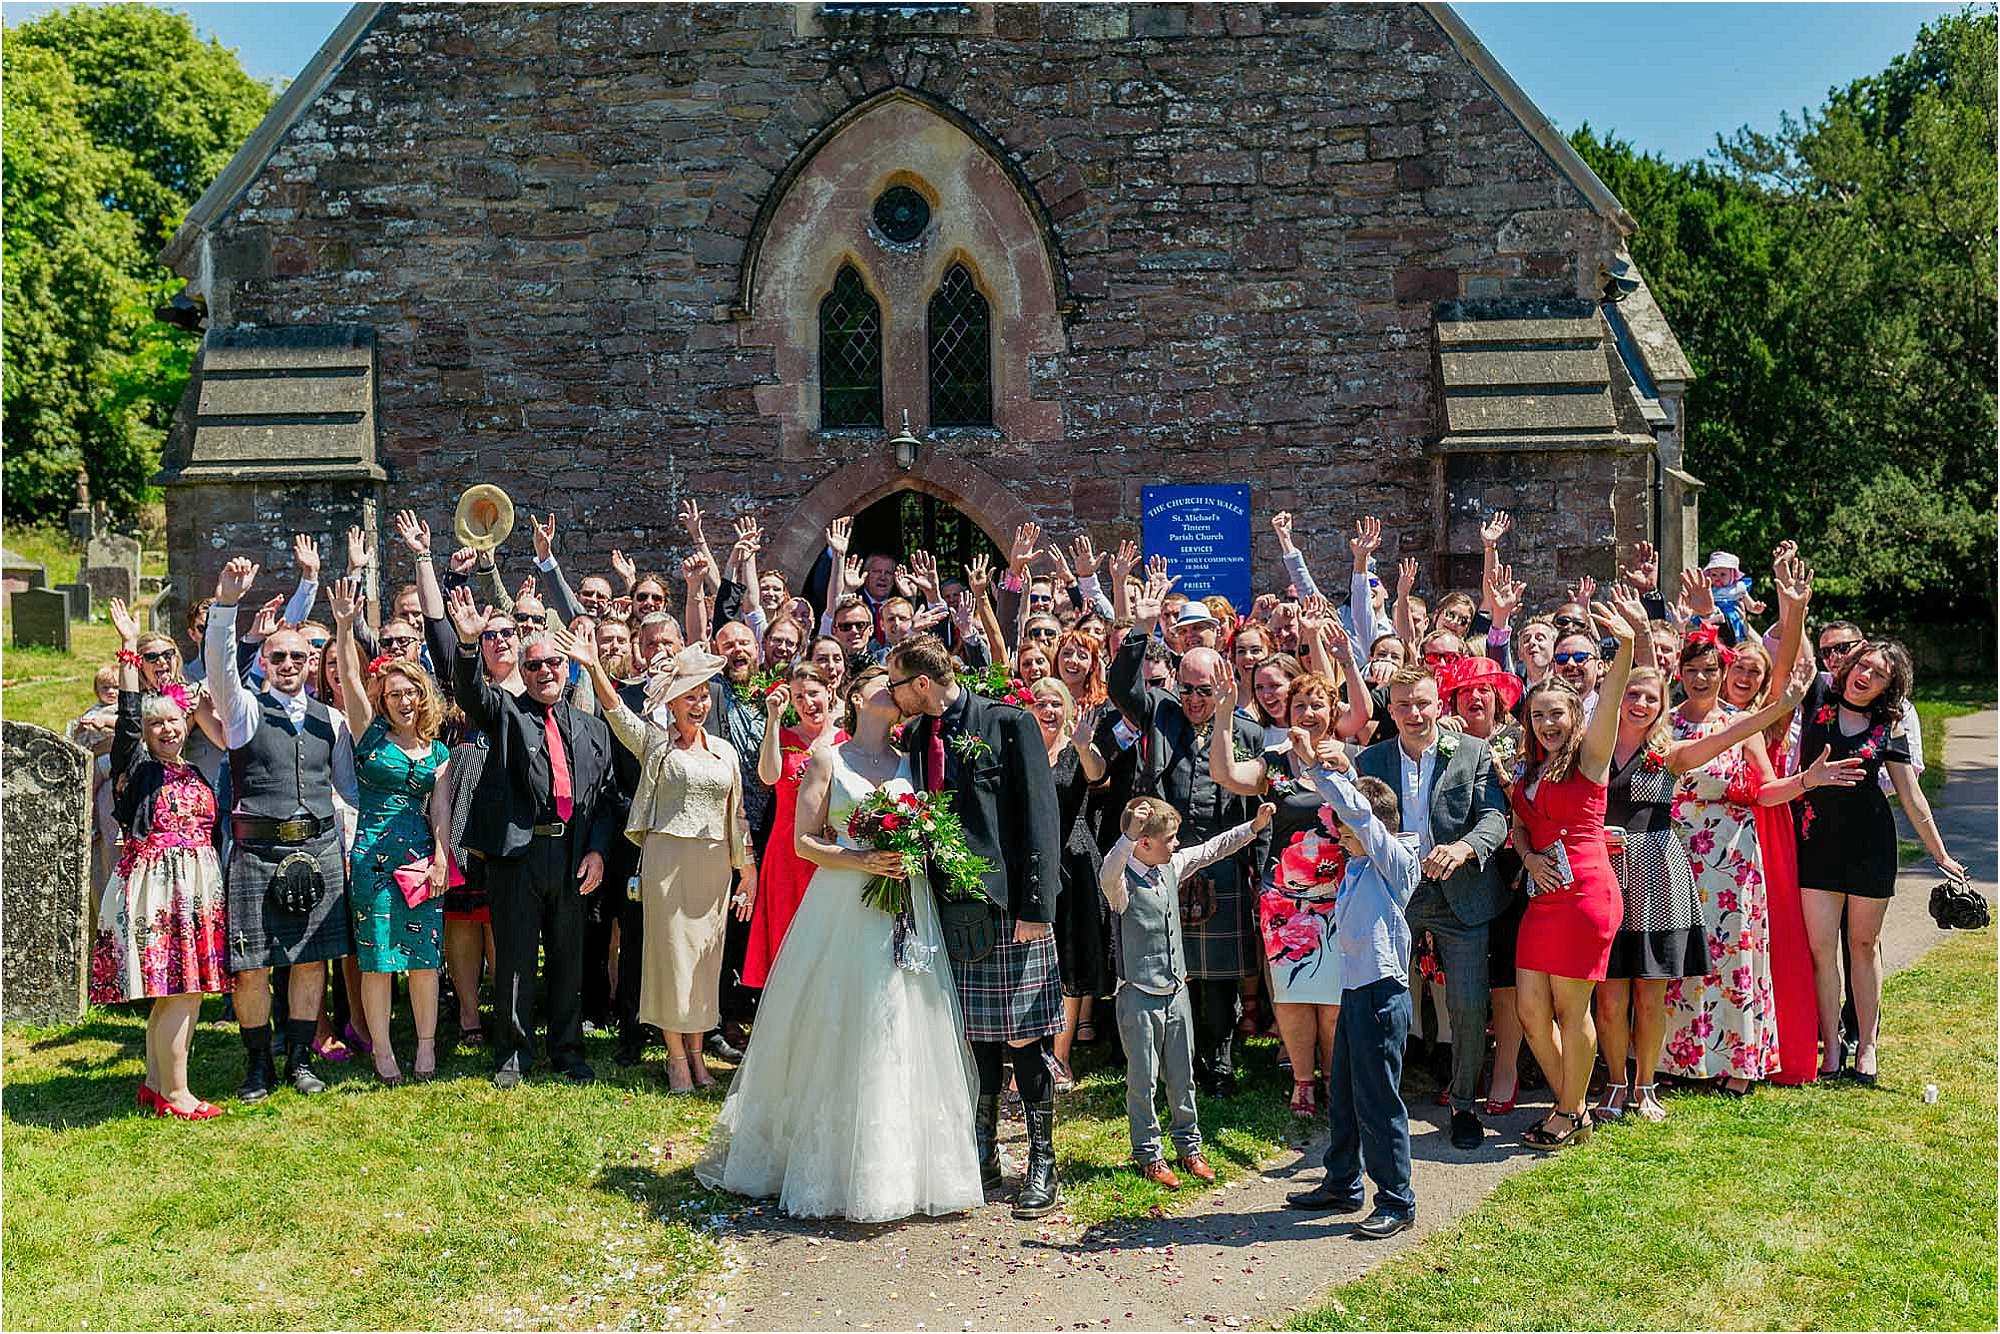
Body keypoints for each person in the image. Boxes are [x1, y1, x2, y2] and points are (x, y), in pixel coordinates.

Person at [697, 662, 983, 1219]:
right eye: (883, 680)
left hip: (904, 902)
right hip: (843, 902)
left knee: (903, 1018)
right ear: (856, 696)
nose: (894, 688)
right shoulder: (828, 759)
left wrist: (916, 853)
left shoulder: (912, 760)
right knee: (843, 1016)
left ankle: (904, 1163)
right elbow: (803, 842)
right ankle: (824, 1161)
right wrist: (859, 858)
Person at [891, 633, 1067, 1220]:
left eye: (898, 685)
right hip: (949, 909)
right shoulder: (917, 737)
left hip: (1008, 908)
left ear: (922, 684)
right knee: (976, 1038)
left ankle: (1043, 1163)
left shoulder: (1008, 723)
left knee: (1025, 1037)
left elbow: (1041, 815)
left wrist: (1036, 909)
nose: (894, 698)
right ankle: (984, 1155)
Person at [447, 587, 618, 1088]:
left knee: (568, 959)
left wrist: (599, 852)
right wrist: (465, 644)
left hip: (573, 857)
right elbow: (470, 694)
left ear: (568, 669)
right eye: (535, 666)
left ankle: (568, 1052)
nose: (546, 672)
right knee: (516, 961)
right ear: (523, 673)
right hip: (518, 856)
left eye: (554, 664)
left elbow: (607, 799)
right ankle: (513, 1056)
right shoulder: (505, 713)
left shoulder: (592, 729)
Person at [564, 630, 750, 1091]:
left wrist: (747, 870)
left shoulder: (724, 751)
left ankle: (697, 1051)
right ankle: (676, 1058)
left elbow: (739, 814)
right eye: (689, 697)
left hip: (713, 868)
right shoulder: (657, 746)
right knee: (671, 959)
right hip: (667, 863)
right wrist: (593, 667)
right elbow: (619, 716)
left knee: (706, 963)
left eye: (704, 696)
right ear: (671, 703)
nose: (699, 704)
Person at [204, 557, 357, 1101]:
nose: (289, 663)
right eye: (278, 656)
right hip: (256, 851)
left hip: (316, 848)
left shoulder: (331, 720)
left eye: (298, 656)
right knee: (250, 969)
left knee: (311, 961)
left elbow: (347, 792)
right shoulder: (243, 710)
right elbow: (219, 669)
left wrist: (351, 846)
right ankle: (257, 1065)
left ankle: (299, 1060)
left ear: (311, 661)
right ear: (264, 662)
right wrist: (226, 605)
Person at [1352, 662, 1508, 1150]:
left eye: (1423, 702)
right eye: (1403, 705)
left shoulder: (1473, 752)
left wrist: (1464, 849)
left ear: (1440, 703)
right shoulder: (1371, 760)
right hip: (1395, 894)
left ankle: (1463, 1104)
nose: (1414, 713)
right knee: (1381, 999)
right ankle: (1381, 1102)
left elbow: (1495, 818)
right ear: (1391, 709)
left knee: (1466, 1005)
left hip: (1460, 893)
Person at [1795, 641, 1965, 1083]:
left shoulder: (1890, 724)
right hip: (1816, 843)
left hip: (1870, 844)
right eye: (1863, 665)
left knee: (1863, 946)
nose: (1866, 676)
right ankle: (1831, 1046)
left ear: (1890, 686)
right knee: (1820, 950)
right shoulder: (1816, 697)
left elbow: (1911, 795)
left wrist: (1940, 853)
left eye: (1880, 674)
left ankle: (1867, 1046)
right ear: (1850, 665)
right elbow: (1786, 648)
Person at [91, 598, 232, 1120]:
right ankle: (178, 1095)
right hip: (160, 889)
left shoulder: (191, 772)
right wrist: (129, 648)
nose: (168, 730)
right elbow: (128, 722)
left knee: (181, 992)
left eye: (175, 723)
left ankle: (156, 1084)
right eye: (158, 726)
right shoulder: (139, 770)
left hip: (196, 888)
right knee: (178, 990)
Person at [1099, 796, 1274, 1189]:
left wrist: (1254, 828)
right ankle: (1148, 1152)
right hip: (1139, 994)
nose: (1176, 845)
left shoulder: (1169, 867)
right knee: (1142, 1079)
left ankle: (1189, 1146)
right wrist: (1127, 836)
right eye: (1169, 839)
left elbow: (1213, 849)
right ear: (1144, 843)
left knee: (1183, 1074)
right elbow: (1109, 871)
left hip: (1176, 989)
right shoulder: (1121, 882)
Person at [1510, 602, 1635, 1149]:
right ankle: (1575, 1105)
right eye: (1539, 716)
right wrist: (1527, 856)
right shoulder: (1530, 767)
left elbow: (1608, 703)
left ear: (1574, 717)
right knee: (1530, 1008)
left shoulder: (1590, 758)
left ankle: (1567, 1111)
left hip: (1586, 895)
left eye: (1557, 714)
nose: (1548, 724)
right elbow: (1520, 826)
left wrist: (1627, 645)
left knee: (1570, 1007)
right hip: (1543, 897)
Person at [1286, 760, 1421, 1240]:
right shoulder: (1358, 866)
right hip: (1356, 992)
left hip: (1382, 996)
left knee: (1378, 1100)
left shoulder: (1396, 859)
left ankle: (1397, 1199)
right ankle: (1342, 1181)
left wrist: (1330, 777)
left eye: (1342, 826)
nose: (1338, 834)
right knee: (1343, 1091)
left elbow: (1361, 814)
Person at [1209, 670, 1349, 1117]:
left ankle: (1334, 1079)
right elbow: (1225, 774)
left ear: (1332, 712)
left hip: (1338, 898)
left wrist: (1328, 762)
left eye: (1317, 705)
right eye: (1300, 706)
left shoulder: (1345, 760)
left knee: (1332, 1004)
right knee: (1291, 999)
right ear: (1288, 714)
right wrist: (1225, 714)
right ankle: (1302, 1081)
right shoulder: (1274, 761)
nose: (1309, 714)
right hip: (1285, 900)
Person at [329, 578, 452, 1085]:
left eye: (411, 693)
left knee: (423, 959)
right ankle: (382, 1052)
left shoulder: (437, 750)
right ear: (385, 699)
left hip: (421, 857)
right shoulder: (368, 732)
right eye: (395, 694)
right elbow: (353, 680)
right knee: (377, 959)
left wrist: (443, 857)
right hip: (373, 857)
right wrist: (342, 625)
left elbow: (440, 809)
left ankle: (425, 1048)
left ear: (422, 697)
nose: (403, 701)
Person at [742, 662, 845, 990]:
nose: (807, 703)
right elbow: (769, 776)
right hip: (787, 850)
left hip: (831, 849)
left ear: (829, 692)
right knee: (789, 933)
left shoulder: (846, 738)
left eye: (813, 693)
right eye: (798, 697)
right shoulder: (784, 737)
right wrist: (773, 718)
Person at [1030, 675, 1109, 1086]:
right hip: (1031, 864)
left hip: (1074, 862)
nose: (1047, 710)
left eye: (1055, 704)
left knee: (1070, 961)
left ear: (1068, 710)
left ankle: (1060, 1059)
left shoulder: (1079, 749)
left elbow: (1098, 776)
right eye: (1039, 703)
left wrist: (1083, 744)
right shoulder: (1020, 750)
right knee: (1030, 962)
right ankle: (1030, 1058)